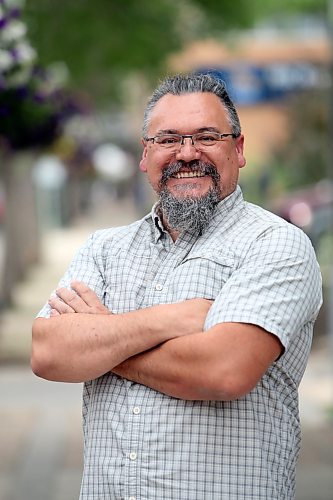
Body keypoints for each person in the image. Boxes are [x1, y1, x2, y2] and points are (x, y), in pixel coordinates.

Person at [31, 73, 322, 500]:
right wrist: (169, 320)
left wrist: (102, 341)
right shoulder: (104, 250)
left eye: (206, 136)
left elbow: (223, 370)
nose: (187, 154)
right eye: (168, 139)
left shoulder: (276, 244)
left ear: (238, 150)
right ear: (145, 155)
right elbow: (48, 352)